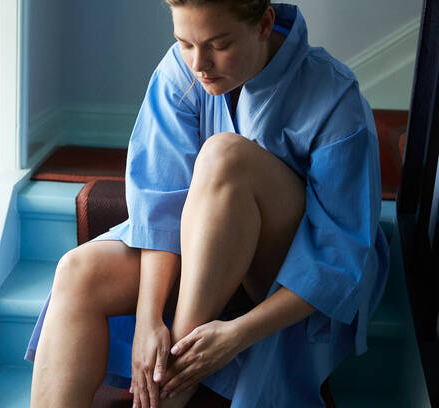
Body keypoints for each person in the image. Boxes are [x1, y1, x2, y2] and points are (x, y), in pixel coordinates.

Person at [25, 1, 389, 407]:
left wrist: (236, 335)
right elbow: (159, 206)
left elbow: (336, 259)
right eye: (185, 43)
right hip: (203, 252)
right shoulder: (178, 70)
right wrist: (148, 319)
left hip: (285, 277)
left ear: (264, 24)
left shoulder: (334, 95)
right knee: (77, 272)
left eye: (219, 44)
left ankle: (173, 383)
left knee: (224, 157)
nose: (199, 64)